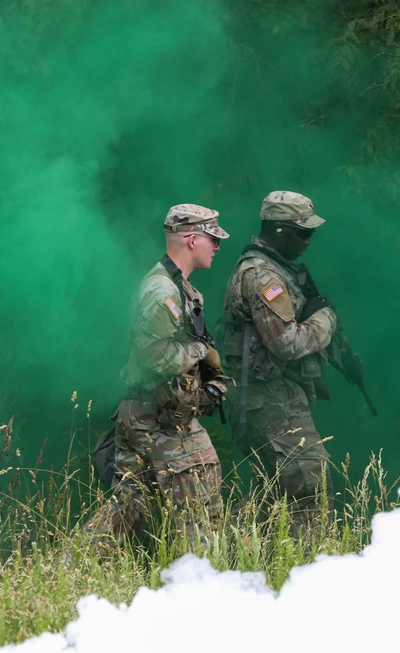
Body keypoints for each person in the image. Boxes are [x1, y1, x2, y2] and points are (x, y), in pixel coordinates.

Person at [81, 203, 230, 549]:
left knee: (128, 508)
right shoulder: (164, 292)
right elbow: (151, 356)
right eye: (213, 238)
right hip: (161, 420)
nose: (218, 246)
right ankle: (204, 578)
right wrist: (201, 352)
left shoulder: (176, 286)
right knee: (201, 507)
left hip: (148, 413)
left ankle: (70, 570)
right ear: (192, 240)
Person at [221, 190, 338, 532]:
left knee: (271, 493)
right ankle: (311, 568)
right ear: (278, 230)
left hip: (270, 396)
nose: (307, 241)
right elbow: (286, 344)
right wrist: (325, 320)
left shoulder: (277, 270)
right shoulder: (263, 276)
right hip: (266, 397)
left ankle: (221, 557)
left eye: (310, 233)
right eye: (302, 232)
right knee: (309, 485)